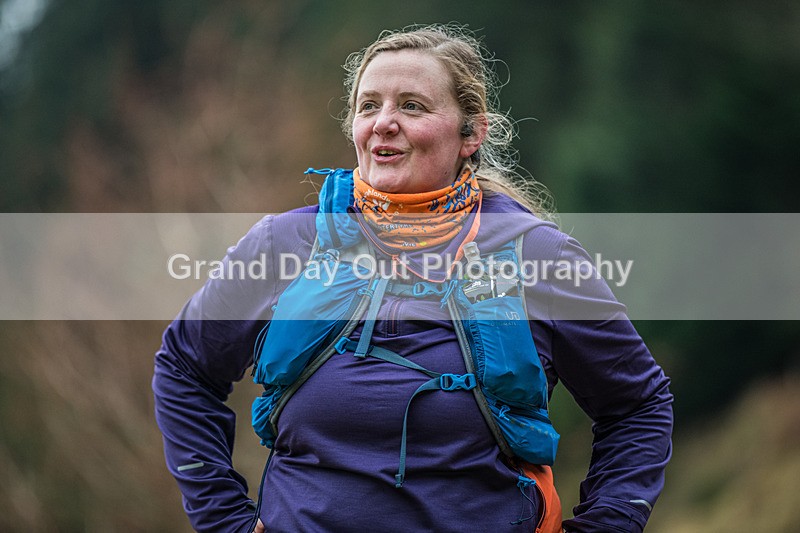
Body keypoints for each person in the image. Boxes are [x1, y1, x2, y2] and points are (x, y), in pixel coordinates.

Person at [153, 24, 673, 533]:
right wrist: (225, 520)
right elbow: (184, 369)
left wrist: (610, 521)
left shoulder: (537, 255)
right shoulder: (284, 244)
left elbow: (638, 405)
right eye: (368, 105)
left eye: (411, 106)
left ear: (471, 134)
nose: (383, 122)